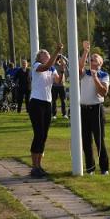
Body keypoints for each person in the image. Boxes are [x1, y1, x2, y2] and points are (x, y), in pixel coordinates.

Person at [28, 43, 63, 178]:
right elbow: (46, 66)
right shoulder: (37, 66)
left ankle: (39, 165)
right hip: (36, 102)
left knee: (44, 135)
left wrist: (61, 68)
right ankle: (34, 166)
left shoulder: (52, 68)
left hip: (47, 103)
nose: (48, 55)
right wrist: (56, 51)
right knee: (38, 133)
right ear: (40, 57)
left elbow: (59, 81)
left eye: (49, 54)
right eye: (45, 54)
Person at [79, 41, 110, 175]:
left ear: (100, 63)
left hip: (96, 109)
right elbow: (79, 67)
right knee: (86, 141)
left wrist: (95, 77)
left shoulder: (103, 75)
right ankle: (90, 168)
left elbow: (103, 92)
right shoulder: (84, 73)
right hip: (84, 109)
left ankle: (104, 168)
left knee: (99, 140)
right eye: (90, 59)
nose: (91, 60)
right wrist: (86, 51)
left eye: (94, 59)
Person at [52, 55, 69, 120]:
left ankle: (64, 114)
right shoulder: (53, 66)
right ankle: (54, 114)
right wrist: (57, 57)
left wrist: (62, 56)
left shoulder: (63, 66)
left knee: (63, 100)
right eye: (57, 59)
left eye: (59, 59)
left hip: (62, 85)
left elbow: (67, 62)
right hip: (54, 85)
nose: (58, 60)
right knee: (54, 100)